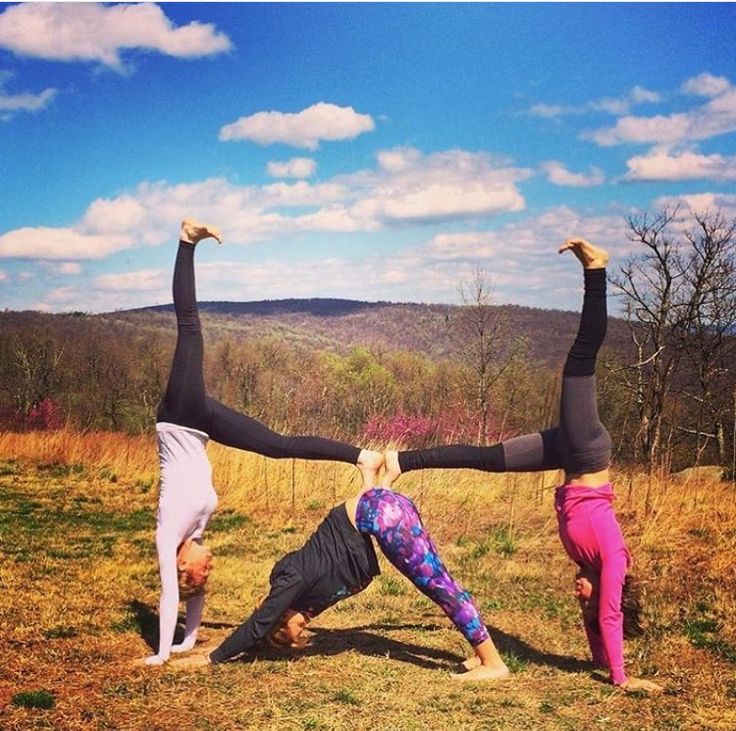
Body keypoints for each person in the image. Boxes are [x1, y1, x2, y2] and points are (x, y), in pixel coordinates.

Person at [381, 238, 662, 693]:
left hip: (567, 461)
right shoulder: (612, 558)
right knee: (580, 361)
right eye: (585, 599)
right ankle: (597, 271)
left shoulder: (592, 568)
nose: (577, 595)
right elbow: (608, 614)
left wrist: (598, 655)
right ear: (610, 592)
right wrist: (621, 678)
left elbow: (599, 620)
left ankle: (400, 460)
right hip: (585, 451)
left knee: (488, 458)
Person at [144, 219, 383, 666]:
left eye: (201, 574)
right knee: (277, 445)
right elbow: (194, 598)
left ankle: (184, 240)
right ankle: (361, 456)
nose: (210, 568)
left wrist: (161, 656)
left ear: (182, 568)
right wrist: (187, 641)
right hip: (202, 427)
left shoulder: (168, 536)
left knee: (191, 330)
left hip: (178, 418)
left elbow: (170, 592)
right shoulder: (194, 535)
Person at [175, 486, 510, 681]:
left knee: (440, 588)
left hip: (380, 513)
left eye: (295, 627)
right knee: (441, 583)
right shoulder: (309, 599)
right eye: (303, 632)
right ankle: (482, 656)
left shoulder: (289, 582)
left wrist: (212, 658)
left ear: (280, 615)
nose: (304, 625)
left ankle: (492, 663)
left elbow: (256, 626)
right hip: (380, 510)